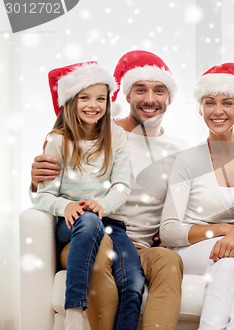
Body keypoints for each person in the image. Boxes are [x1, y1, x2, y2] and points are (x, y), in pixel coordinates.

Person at [30, 50, 185, 330]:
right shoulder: (99, 130)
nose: (150, 99)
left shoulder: (178, 150)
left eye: (158, 90)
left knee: (169, 260)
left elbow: (181, 204)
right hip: (90, 235)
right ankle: (80, 313)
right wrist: (36, 182)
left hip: (134, 242)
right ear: (125, 95)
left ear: (169, 97)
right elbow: (49, 185)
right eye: (140, 89)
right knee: (101, 251)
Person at [160, 62, 234, 330]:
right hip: (190, 249)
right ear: (200, 109)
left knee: (228, 266)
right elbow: (168, 230)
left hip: (232, 249)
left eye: (228, 103)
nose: (218, 111)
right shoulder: (186, 160)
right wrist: (224, 230)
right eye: (210, 102)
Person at [33, 62, 133, 330]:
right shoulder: (58, 141)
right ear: (71, 102)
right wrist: (66, 206)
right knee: (88, 221)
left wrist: (101, 204)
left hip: (111, 223)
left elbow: (123, 186)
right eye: (84, 98)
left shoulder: (117, 137)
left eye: (100, 98)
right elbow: (42, 197)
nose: (93, 105)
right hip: (74, 225)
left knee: (132, 279)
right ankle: (75, 309)